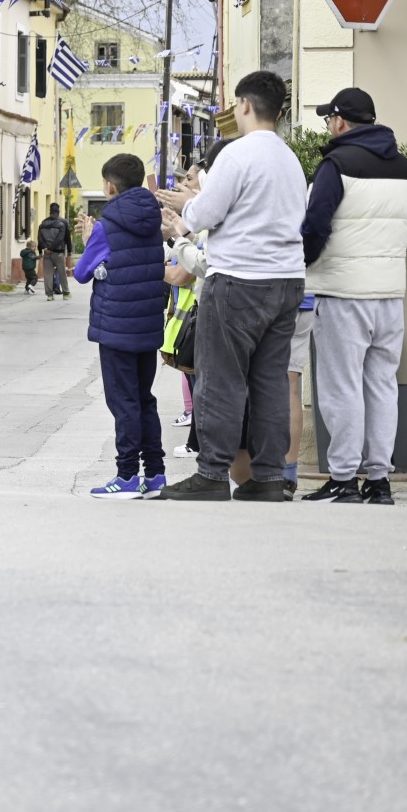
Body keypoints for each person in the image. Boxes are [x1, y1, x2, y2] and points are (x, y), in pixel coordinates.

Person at [155, 70, 306, 502]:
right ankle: (270, 476)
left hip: (240, 278)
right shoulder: (290, 159)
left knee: (221, 380)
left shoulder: (237, 155)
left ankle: (212, 473)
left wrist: (186, 209)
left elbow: (204, 214)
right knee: (271, 381)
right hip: (287, 279)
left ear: (244, 104)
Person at [298, 88, 407, 507]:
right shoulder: (404, 167)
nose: (328, 126)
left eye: (328, 119)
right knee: (383, 386)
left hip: (343, 291)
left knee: (341, 387)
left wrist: (305, 262)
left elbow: (315, 226)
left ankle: (344, 478)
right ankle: (379, 481)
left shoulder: (336, 165)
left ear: (340, 121)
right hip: (390, 293)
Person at [78, 154, 169, 499]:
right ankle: (155, 473)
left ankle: (127, 474)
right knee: (144, 399)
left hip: (116, 327)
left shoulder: (106, 226)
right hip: (148, 324)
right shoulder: (152, 221)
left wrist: (89, 240)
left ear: (110, 186)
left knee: (124, 402)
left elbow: (83, 272)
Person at [37, 203, 72, 300]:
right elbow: (62, 238)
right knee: (62, 273)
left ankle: (49, 295)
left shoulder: (43, 224)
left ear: (50, 211)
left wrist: (43, 249)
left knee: (47, 274)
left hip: (47, 253)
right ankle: (66, 293)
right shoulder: (63, 223)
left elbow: (40, 239)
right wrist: (69, 250)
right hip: (58, 252)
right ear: (58, 211)